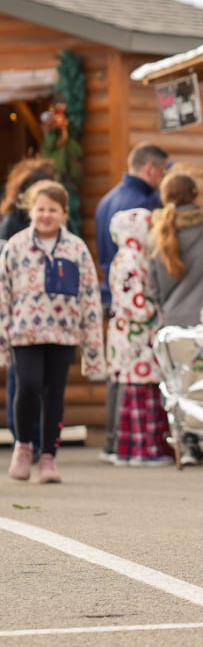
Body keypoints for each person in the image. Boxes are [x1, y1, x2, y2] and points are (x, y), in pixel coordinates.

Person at [0, 180, 103, 484]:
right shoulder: (16, 246)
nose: (46, 215)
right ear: (30, 210)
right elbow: (3, 293)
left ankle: (49, 457)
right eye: (40, 209)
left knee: (54, 393)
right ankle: (23, 447)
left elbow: (90, 296)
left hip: (64, 333)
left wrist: (92, 345)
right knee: (28, 385)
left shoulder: (76, 248)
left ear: (63, 213)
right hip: (25, 332)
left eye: (52, 210)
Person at [94, 142, 169, 462]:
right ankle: (138, 444)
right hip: (137, 315)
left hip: (115, 303)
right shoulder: (145, 204)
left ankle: (115, 441)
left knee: (120, 379)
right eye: (162, 170)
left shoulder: (106, 201)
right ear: (150, 169)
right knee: (139, 385)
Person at [145, 168, 203, 466]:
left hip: (172, 323)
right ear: (195, 194)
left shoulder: (158, 232)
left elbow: (153, 285)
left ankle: (187, 444)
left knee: (179, 387)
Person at [108, 207, 173, 466]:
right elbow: (134, 301)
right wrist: (154, 313)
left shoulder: (132, 256)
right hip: (136, 337)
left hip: (133, 336)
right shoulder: (131, 259)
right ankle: (142, 449)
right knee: (141, 390)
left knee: (141, 388)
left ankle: (134, 447)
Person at [1, 156, 57, 448]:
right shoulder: (14, 226)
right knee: (23, 378)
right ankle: (25, 437)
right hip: (23, 312)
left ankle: (35, 438)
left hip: (48, 313)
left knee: (36, 379)